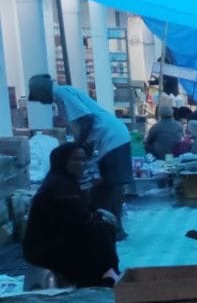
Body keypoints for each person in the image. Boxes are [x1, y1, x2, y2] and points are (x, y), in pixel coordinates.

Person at [28, 74, 134, 236]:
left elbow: (87, 119)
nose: (41, 102)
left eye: (40, 97)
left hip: (112, 137)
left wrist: (78, 146)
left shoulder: (62, 93)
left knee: (112, 185)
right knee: (103, 186)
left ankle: (116, 228)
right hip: (106, 139)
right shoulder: (62, 96)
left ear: (43, 90)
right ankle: (109, 226)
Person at [23, 145, 121, 287]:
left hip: (57, 239)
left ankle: (107, 274)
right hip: (46, 248)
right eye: (75, 160)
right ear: (62, 162)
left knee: (102, 231)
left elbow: (82, 213)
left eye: (83, 160)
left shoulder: (64, 181)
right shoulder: (60, 186)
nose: (81, 164)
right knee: (101, 234)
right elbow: (80, 218)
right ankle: (102, 278)